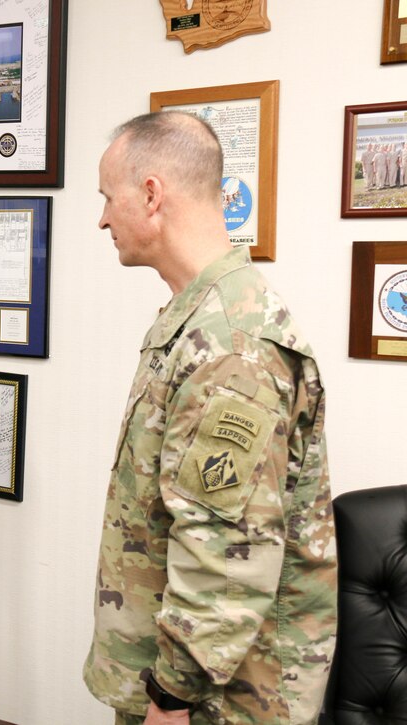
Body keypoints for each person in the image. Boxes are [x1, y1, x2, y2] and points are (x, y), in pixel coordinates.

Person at [82, 112, 337, 725]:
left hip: (220, 700)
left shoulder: (230, 340)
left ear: (150, 194)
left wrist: (172, 697)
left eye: (107, 198)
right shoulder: (198, 316)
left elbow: (224, 553)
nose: (103, 219)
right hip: (188, 682)